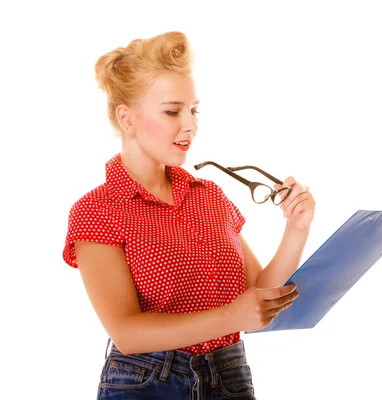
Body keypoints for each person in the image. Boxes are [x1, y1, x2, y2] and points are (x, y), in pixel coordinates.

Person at [62, 31, 316, 400]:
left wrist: (296, 229)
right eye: (172, 111)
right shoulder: (97, 210)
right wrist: (232, 317)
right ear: (127, 118)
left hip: (229, 376)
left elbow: (259, 296)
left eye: (193, 110)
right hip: (147, 383)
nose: (190, 124)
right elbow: (127, 333)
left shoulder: (209, 196)